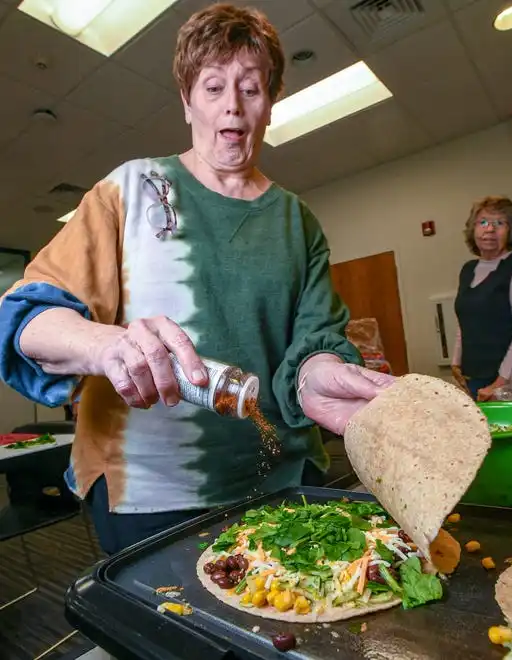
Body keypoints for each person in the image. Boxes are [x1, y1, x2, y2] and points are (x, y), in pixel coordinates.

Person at [0, 3, 394, 555]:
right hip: (148, 497)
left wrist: (318, 375)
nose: (231, 106)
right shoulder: (132, 189)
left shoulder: (295, 219)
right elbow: (25, 317)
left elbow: (314, 342)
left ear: (270, 103)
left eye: (251, 89)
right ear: (187, 101)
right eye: (213, 87)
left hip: (280, 484)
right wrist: (106, 344)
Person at [452, 196, 512, 401]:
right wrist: (456, 361)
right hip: (474, 375)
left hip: (510, 379)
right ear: (473, 229)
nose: (490, 230)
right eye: (483, 222)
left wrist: (500, 383)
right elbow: (465, 318)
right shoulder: (468, 270)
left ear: (510, 230)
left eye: (499, 223)